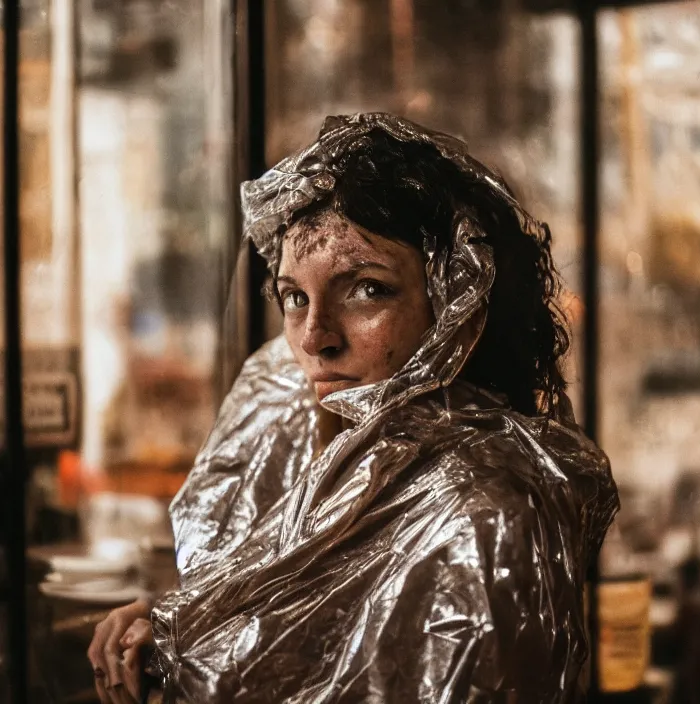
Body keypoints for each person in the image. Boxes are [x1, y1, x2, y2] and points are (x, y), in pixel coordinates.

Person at [88, 113, 618, 703]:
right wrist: (176, 625)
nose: (316, 337)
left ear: (456, 307)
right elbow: (305, 621)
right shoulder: (290, 419)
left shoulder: (483, 518)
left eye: (367, 289)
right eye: (294, 297)